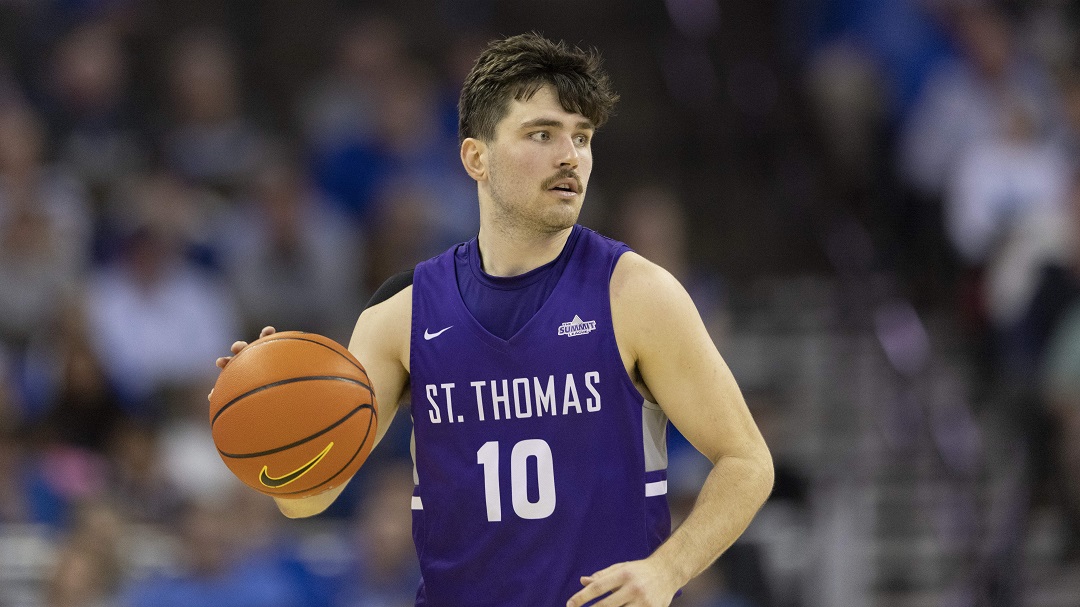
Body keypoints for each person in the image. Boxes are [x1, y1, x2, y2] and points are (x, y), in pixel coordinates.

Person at [214, 33, 774, 607]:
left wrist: (667, 570)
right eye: (542, 134)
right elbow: (308, 498)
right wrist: (270, 413)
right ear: (475, 158)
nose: (569, 156)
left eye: (581, 137)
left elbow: (747, 461)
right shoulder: (400, 313)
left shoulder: (637, 295)